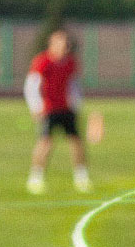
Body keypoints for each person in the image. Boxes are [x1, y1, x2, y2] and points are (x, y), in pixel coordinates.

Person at [24, 28, 91, 194]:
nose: (65, 46)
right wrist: (36, 106)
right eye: (61, 42)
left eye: (66, 43)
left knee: (76, 142)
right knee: (45, 143)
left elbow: (73, 84)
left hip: (66, 108)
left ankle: (81, 177)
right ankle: (36, 177)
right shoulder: (43, 61)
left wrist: (76, 103)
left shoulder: (70, 62)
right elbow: (31, 85)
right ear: (52, 44)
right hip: (49, 109)